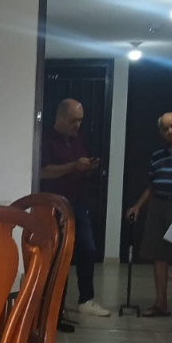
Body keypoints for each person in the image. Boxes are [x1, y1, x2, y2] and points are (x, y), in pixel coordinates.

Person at [39, 98, 110, 317]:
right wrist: (73, 166)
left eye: (80, 120)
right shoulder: (44, 138)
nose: (77, 125)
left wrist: (88, 167)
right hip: (52, 206)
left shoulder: (78, 139)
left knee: (87, 250)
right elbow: (42, 172)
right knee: (59, 254)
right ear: (60, 117)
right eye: (73, 120)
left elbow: (78, 168)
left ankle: (86, 300)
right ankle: (55, 306)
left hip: (77, 203)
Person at [126, 111, 172, 317]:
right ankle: (161, 303)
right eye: (165, 128)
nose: (170, 131)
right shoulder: (158, 155)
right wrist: (137, 206)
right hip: (158, 205)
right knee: (158, 255)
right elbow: (152, 185)